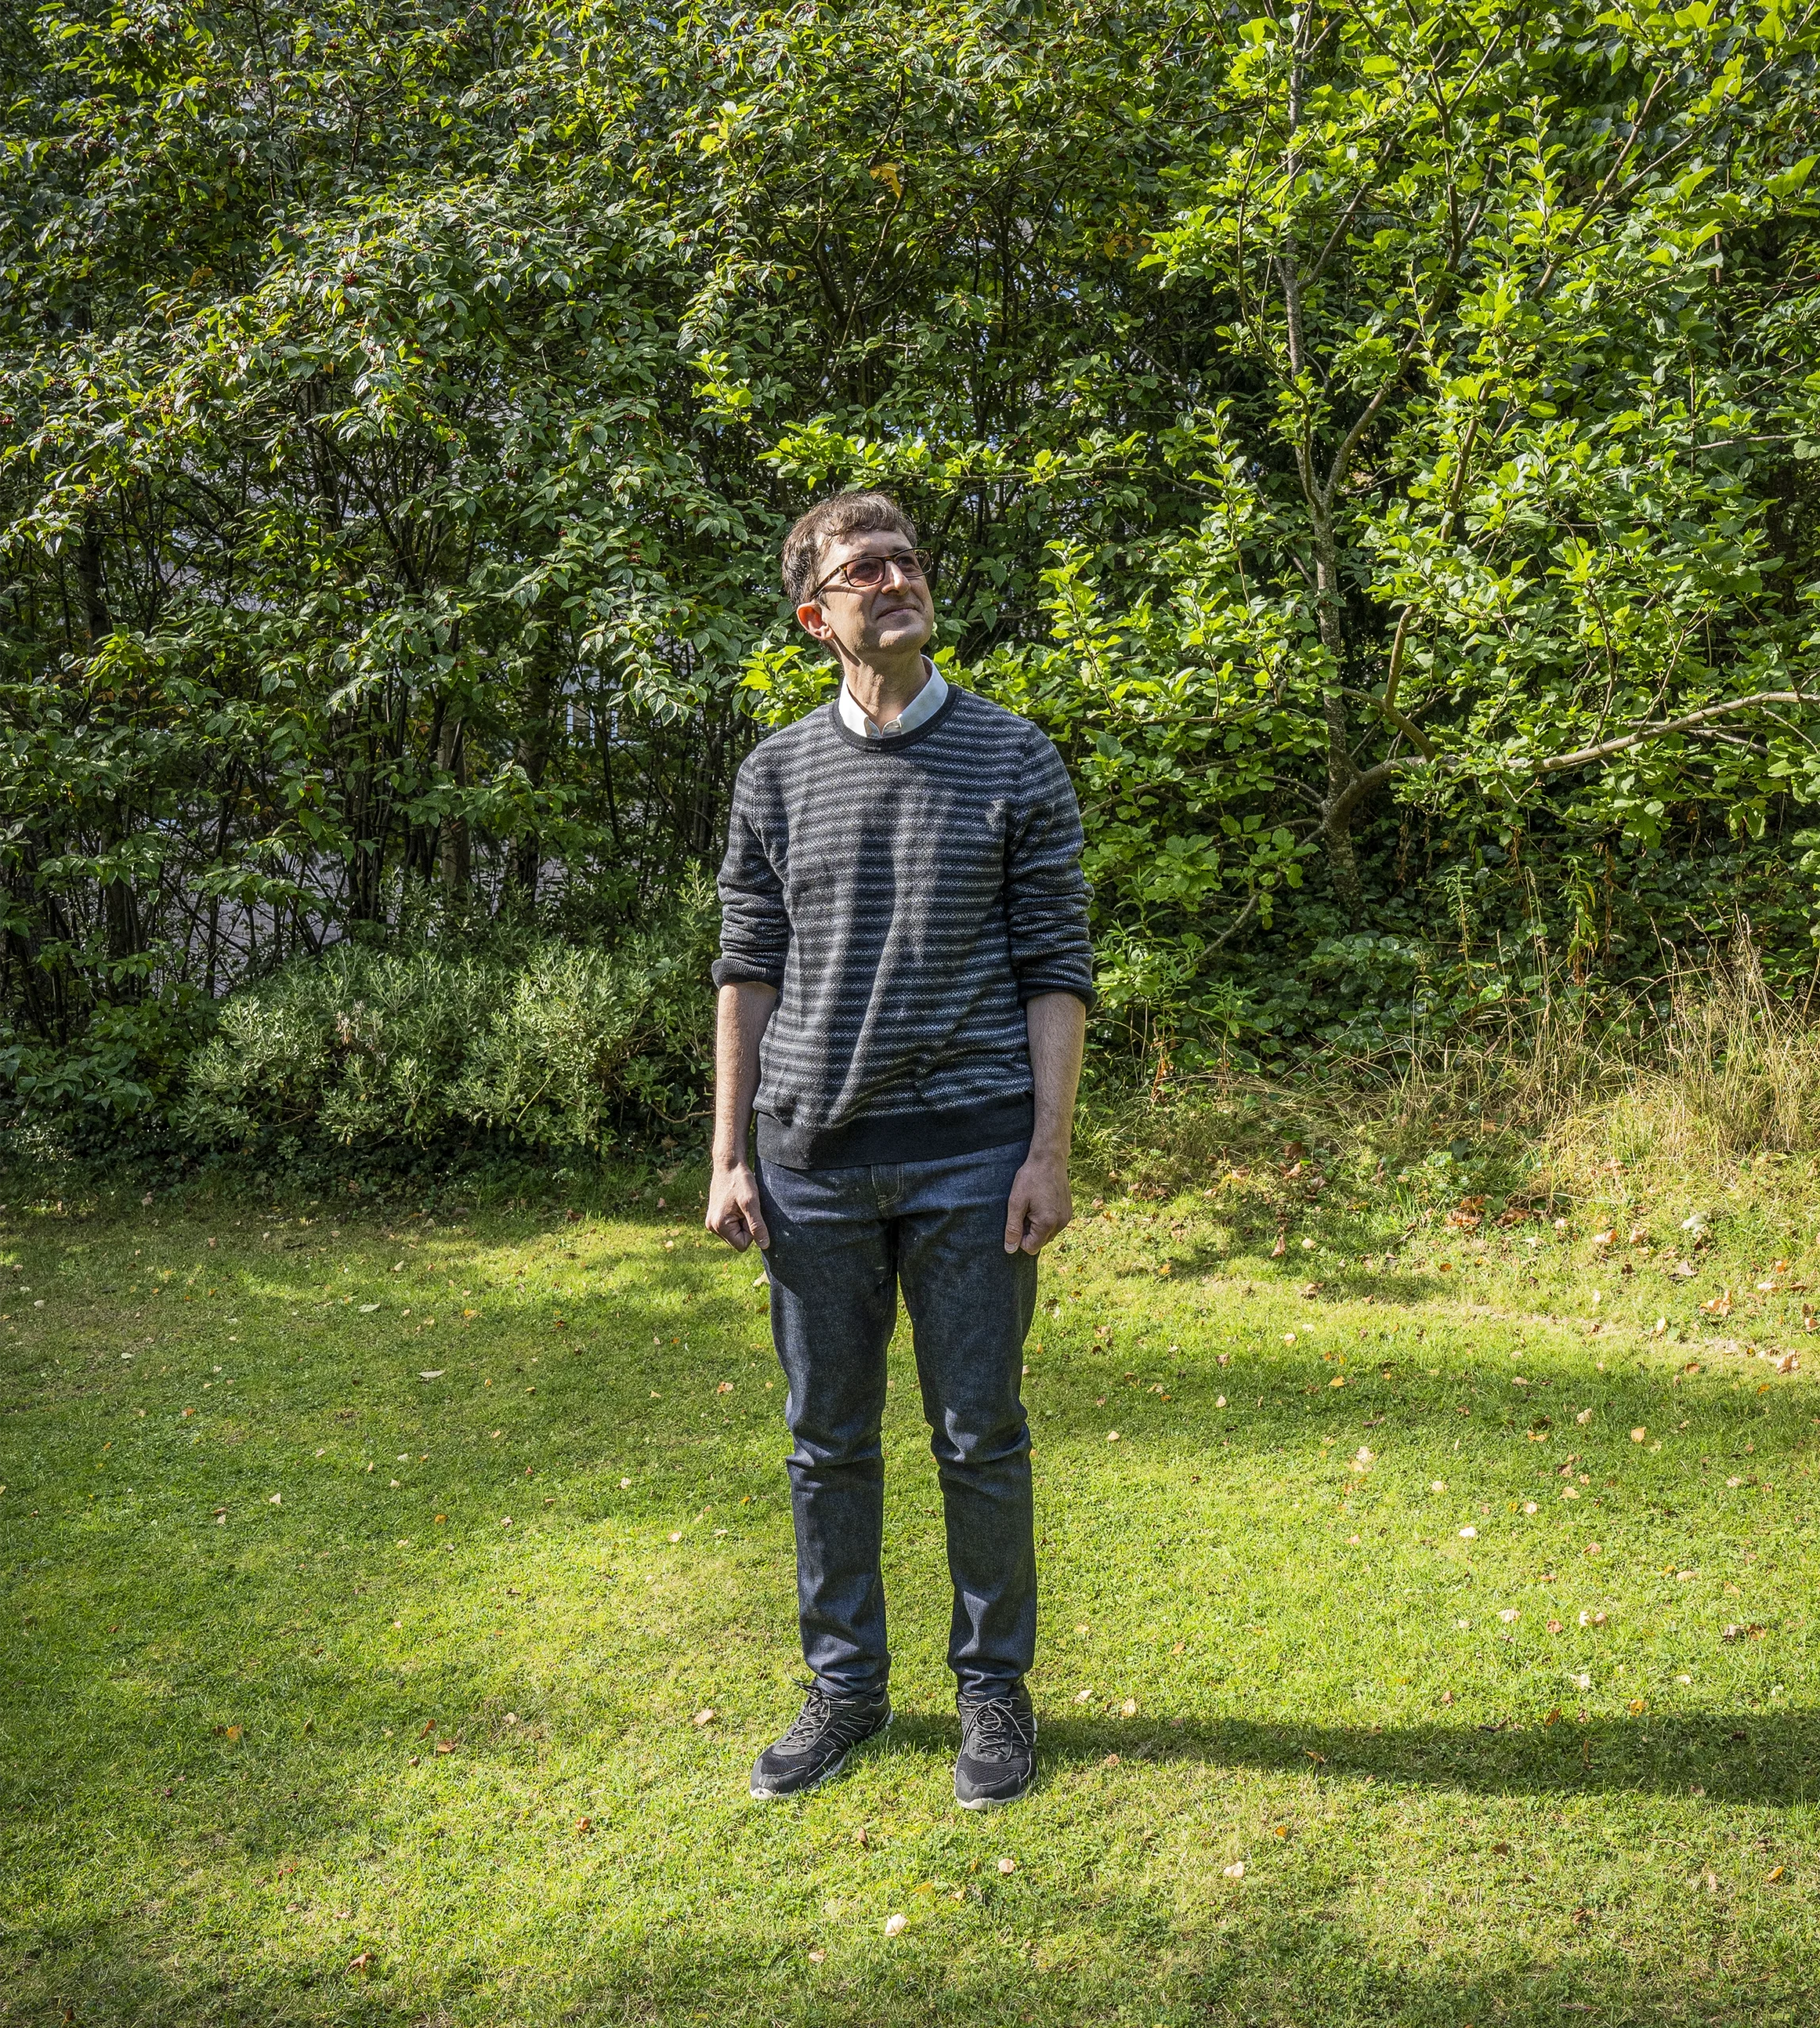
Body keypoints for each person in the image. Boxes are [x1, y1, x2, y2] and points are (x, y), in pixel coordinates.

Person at [704, 489, 1093, 1809]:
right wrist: (727, 1156)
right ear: (818, 618)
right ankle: (846, 1689)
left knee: (979, 1435)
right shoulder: (774, 773)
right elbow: (746, 969)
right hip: (808, 1161)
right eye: (861, 568)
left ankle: (993, 1689)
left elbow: (1056, 967)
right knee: (827, 1441)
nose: (894, 578)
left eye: (906, 560)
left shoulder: (1015, 759)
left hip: (973, 1162)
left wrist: (1048, 1150)